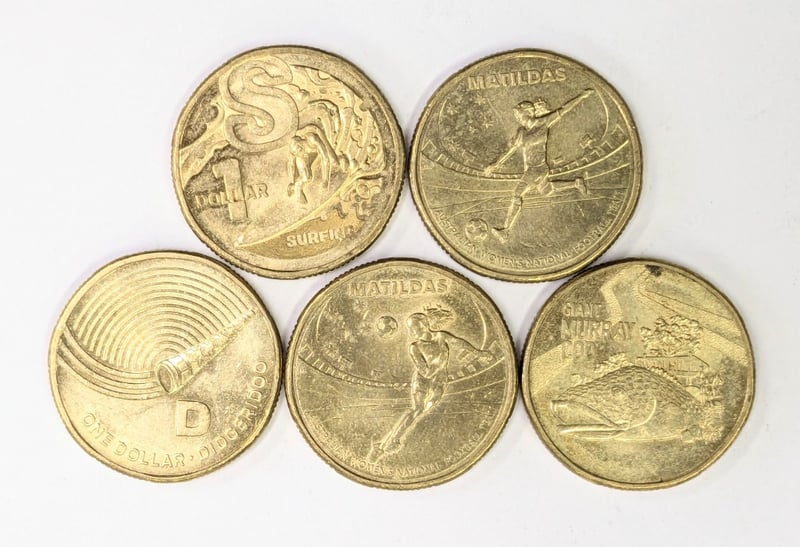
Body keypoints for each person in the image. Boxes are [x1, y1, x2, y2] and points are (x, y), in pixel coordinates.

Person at [368, 311, 494, 462]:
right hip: (422, 380)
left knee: (424, 409)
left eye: (414, 327)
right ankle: (387, 445)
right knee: (417, 409)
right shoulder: (415, 347)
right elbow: (425, 372)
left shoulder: (441, 336)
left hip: (439, 381)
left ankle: (387, 443)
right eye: (409, 328)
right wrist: (439, 361)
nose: (411, 331)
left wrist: (479, 353)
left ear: (425, 325)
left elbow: (459, 343)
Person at [484, 89, 594, 241]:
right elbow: (511, 150)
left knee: (517, 194)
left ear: (528, 112)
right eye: (516, 115)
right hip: (532, 169)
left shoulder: (543, 122)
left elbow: (564, 109)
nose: (517, 118)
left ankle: (506, 230)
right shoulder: (521, 132)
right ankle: (576, 182)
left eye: (519, 114)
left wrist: (581, 96)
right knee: (547, 190)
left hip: (537, 169)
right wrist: (495, 164)